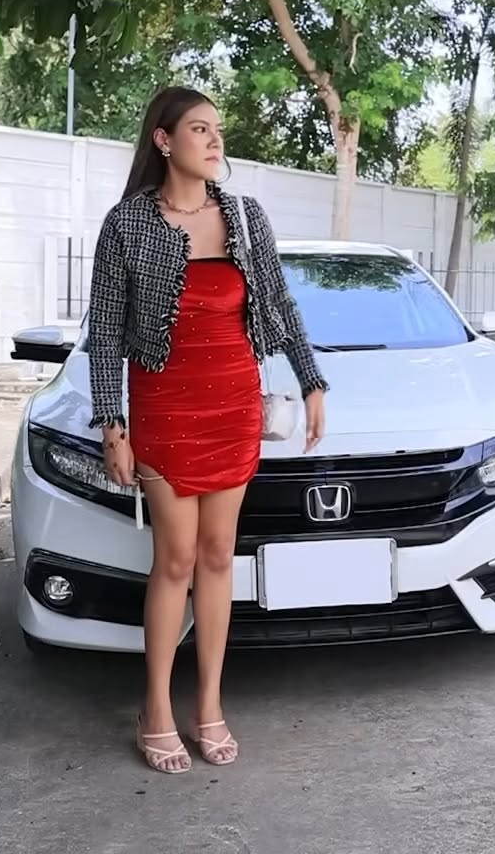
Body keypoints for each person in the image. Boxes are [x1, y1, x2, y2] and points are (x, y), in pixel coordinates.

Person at [87, 86, 328, 774]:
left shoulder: (246, 218)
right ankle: (156, 710)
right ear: (164, 141)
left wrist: (311, 380)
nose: (215, 140)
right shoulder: (128, 224)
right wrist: (113, 424)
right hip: (165, 408)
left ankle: (210, 706)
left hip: (234, 405)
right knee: (176, 558)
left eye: (218, 129)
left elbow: (279, 303)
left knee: (220, 554)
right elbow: (105, 332)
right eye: (199, 129)